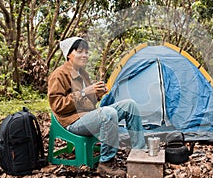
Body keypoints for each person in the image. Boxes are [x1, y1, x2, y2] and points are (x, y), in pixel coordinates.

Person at [47, 36, 146, 177]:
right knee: (109, 113)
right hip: (71, 121)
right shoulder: (59, 75)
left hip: (86, 117)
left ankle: (139, 151)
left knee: (130, 105)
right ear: (69, 54)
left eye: (86, 52)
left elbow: (89, 104)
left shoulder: (83, 74)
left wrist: (98, 94)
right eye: (80, 51)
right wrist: (84, 92)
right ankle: (106, 163)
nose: (84, 55)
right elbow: (58, 106)